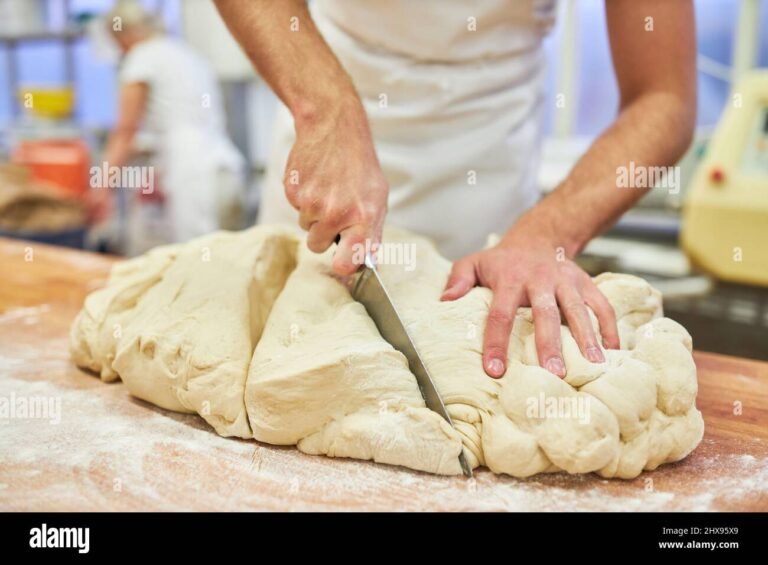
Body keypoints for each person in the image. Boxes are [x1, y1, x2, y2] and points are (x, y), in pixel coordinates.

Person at [214, 0, 696, 379]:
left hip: (488, 196)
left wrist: (547, 230)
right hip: (324, 155)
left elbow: (664, 98)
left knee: (475, 372)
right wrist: (323, 108)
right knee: (284, 365)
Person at [95, 0, 246, 242]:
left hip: (191, 175)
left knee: (197, 262)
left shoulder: (141, 57)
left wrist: (101, 186)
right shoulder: (184, 53)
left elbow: (125, 131)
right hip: (224, 168)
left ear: (122, 35)